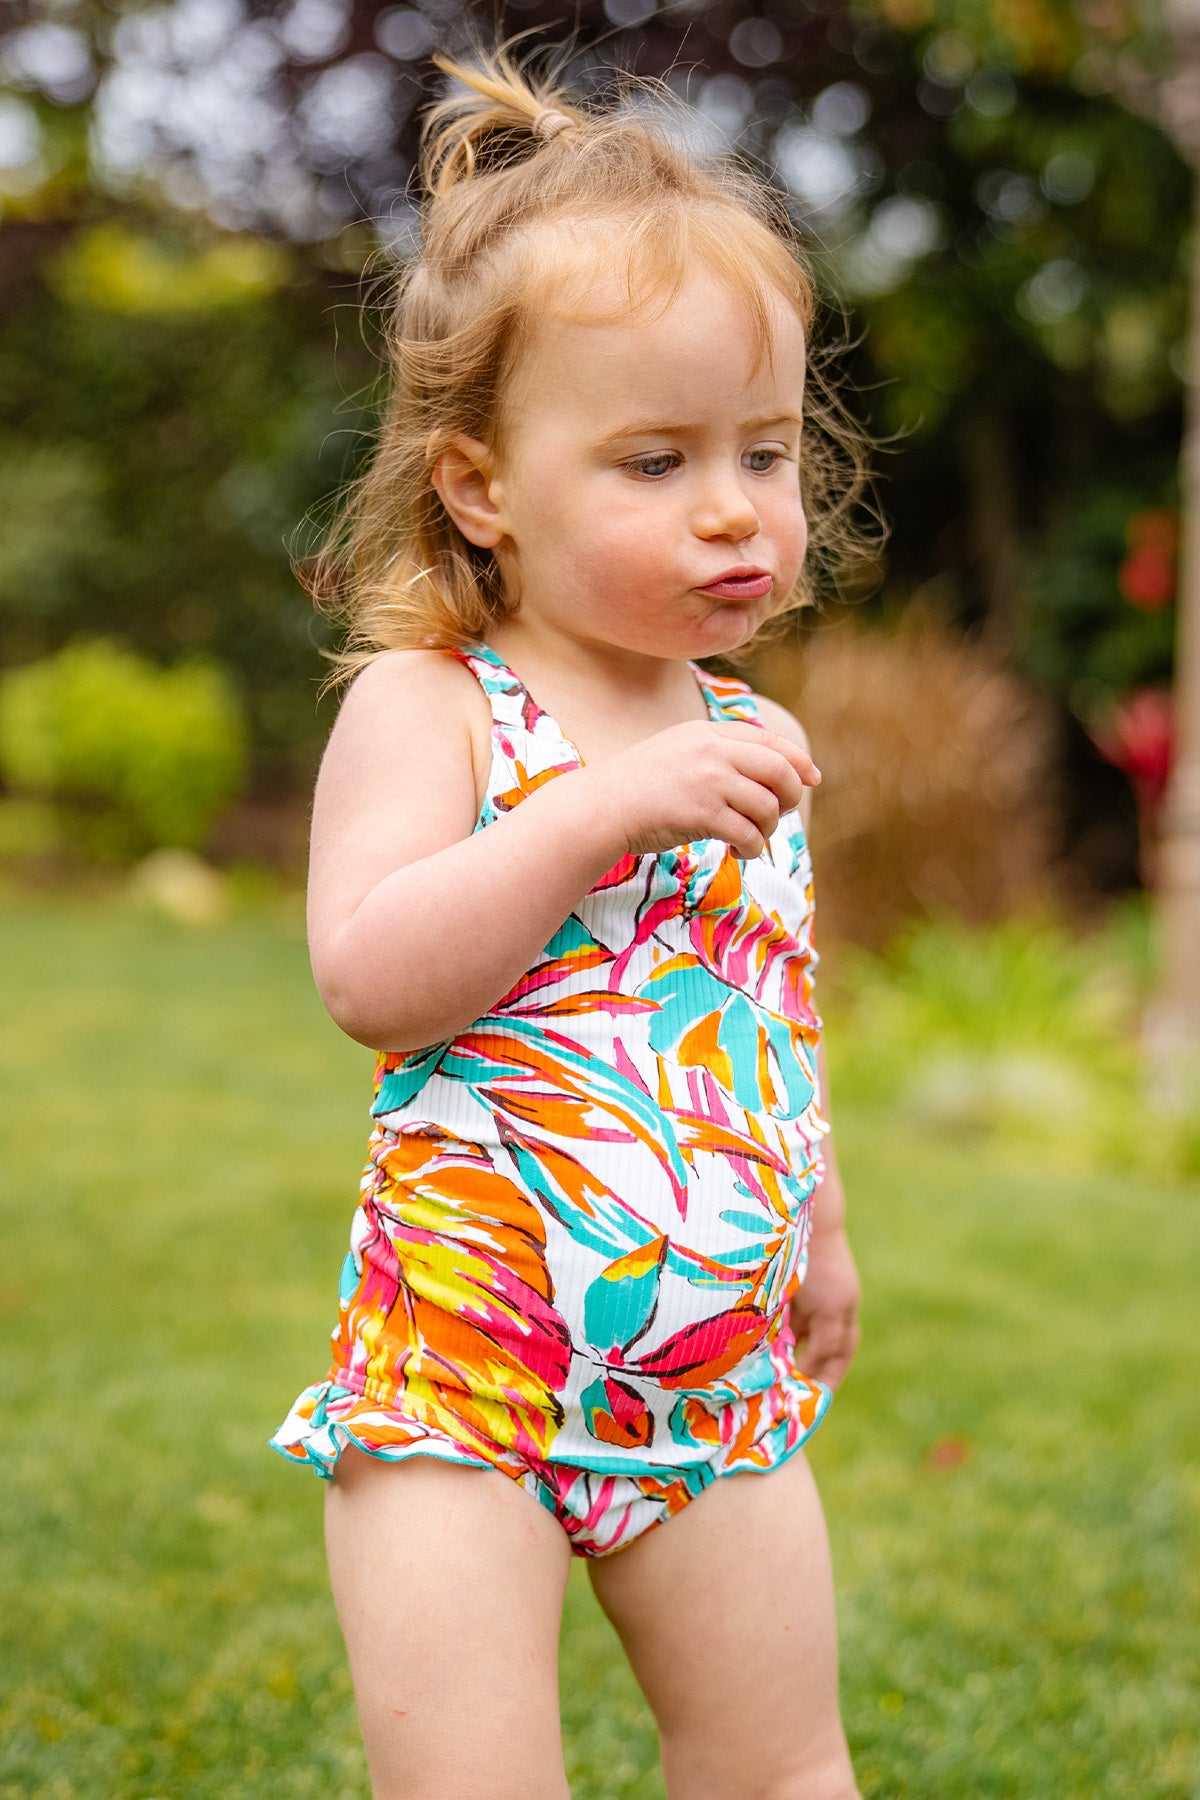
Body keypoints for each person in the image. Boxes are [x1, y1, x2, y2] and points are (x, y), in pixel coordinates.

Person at [272, 43, 868, 1800]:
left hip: (710, 1376)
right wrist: (594, 811)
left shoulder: (748, 734)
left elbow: (766, 1009)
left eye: (765, 451)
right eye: (655, 459)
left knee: (782, 1763)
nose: (732, 505)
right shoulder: (440, 707)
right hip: (468, 1373)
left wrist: (820, 1226)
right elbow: (370, 975)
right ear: (482, 487)